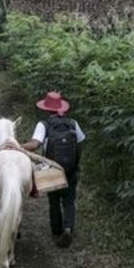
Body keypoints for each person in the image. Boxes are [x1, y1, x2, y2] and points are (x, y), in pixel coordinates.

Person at [22, 92, 86, 248]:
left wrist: (18, 146)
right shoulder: (73, 123)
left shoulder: (43, 124)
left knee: (54, 200)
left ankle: (56, 231)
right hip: (70, 168)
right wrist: (75, 163)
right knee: (69, 201)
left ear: (46, 109)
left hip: (52, 168)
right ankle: (68, 228)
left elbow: (35, 144)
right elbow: (80, 143)